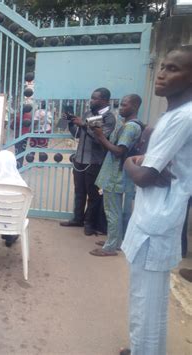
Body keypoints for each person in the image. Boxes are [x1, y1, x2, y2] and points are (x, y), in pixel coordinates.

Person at [119, 46, 192, 355]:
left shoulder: (183, 117)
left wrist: (128, 164)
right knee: (147, 298)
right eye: (163, 65)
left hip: (156, 219)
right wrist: (140, 164)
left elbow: (144, 174)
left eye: (173, 69)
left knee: (146, 301)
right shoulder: (173, 115)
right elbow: (148, 164)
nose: (161, 73)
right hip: (153, 215)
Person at [89, 94, 143, 257]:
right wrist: (99, 133)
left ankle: (110, 247)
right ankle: (115, 240)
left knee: (112, 212)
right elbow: (112, 145)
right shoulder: (126, 124)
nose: (121, 107)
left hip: (116, 176)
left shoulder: (130, 127)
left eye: (125, 105)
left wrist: (99, 136)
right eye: (121, 104)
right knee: (116, 211)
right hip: (117, 174)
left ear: (134, 107)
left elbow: (119, 151)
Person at [59, 88, 116, 236]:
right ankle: (77, 219)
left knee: (93, 195)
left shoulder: (108, 117)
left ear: (104, 100)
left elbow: (100, 139)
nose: (91, 101)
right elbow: (78, 135)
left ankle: (89, 223)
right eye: (91, 98)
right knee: (79, 192)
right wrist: (71, 122)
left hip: (95, 162)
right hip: (80, 160)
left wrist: (84, 125)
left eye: (94, 98)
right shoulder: (88, 114)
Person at [0, 150, 28, 247]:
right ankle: (10, 234)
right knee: (11, 209)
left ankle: (8, 234)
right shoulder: (21, 185)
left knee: (3, 208)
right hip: (15, 222)